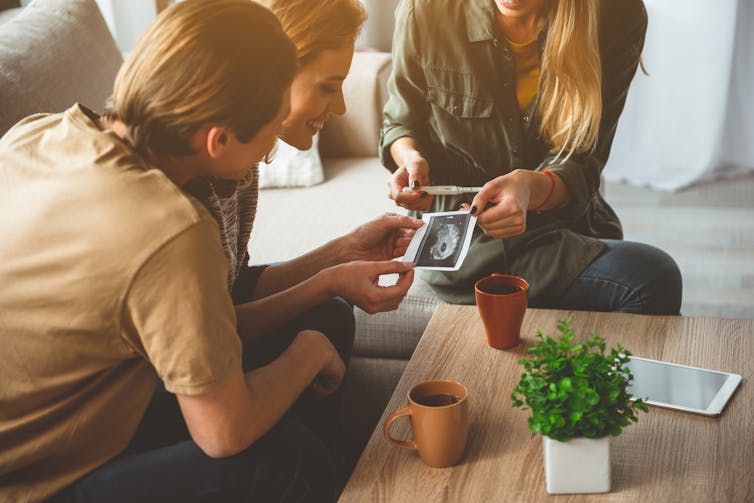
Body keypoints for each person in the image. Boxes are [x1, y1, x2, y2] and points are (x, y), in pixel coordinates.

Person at [0, 2, 416, 502]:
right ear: (218, 141)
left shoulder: (42, 131)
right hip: (30, 476)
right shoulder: (170, 229)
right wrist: (307, 356)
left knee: (323, 318)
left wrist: (336, 261)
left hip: (87, 403)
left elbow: (202, 314)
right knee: (289, 458)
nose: (268, 146)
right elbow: (224, 432)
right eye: (270, 122)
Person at [180, 0, 423, 479]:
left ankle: (330, 471)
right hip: (175, 378)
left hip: (205, 343)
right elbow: (210, 333)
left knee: (330, 315)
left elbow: (230, 293)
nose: (341, 106)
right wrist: (327, 281)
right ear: (271, 74)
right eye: (327, 86)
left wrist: (343, 251)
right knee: (323, 315)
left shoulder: (244, 166)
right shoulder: (189, 192)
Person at [381, 0, 683, 314]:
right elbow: (401, 122)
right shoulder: (425, 10)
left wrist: (532, 189)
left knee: (652, 276)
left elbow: (585, 160)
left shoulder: (616, 14)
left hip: (562, 222)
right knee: (653, 277)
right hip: (463, 237)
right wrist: (410, 157)